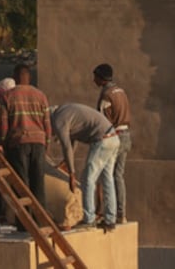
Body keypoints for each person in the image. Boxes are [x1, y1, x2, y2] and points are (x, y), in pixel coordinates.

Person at [51, 102, 120, 231]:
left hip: (102, 140)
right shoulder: (65, 112)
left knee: (88, 179)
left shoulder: (58, 120)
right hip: (113, 138)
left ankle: (89, 219)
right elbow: (72, 143)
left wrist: (72, 174)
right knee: (107, 180)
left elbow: (66, 147)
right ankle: (110, 220)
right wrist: (66, 163)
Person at [0, 65, 51, 210]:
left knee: (22, 184)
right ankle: (40, 216)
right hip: (39, 142)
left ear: (15, 78)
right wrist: (46, 144)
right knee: (38, 182)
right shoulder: (41, 96)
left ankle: (24, 218)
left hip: (18, 142)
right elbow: (47, 124)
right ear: (29, 77)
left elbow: (4, 125)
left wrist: (3, 144)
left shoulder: (8, 96)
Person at [92, 63, 131, 224]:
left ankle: (104, 213)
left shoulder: (106, 95)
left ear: (102, 78)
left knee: (104, 174)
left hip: (113, 136)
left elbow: (103, 122)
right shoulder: (121, 91)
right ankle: (121, 214)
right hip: (126, 135)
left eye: (95, 77)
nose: (93, 80)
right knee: (118, 176)